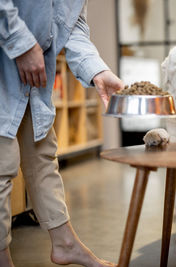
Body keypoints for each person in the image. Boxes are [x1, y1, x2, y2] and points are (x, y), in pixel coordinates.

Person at [0, 0, 124, 266]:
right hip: (7, 56)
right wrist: (21, 45)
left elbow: (72, 24)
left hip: (32, 72)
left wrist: (97, 69)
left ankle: (65, 243)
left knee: (42, 154)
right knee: (1, 163)